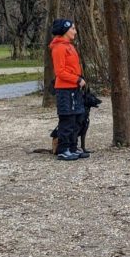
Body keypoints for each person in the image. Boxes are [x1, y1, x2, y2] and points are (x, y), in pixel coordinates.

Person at [49, 18, 88, 161]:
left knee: (77, 117)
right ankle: (63, 149)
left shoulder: (69, 46)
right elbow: (60, 72)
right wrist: (77, 79)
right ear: (65, 30)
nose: (75, 32)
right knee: (67, 119)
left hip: (74, 89)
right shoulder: (59, 48)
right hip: (65, 90)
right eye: (73, 29)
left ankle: (72, 147)